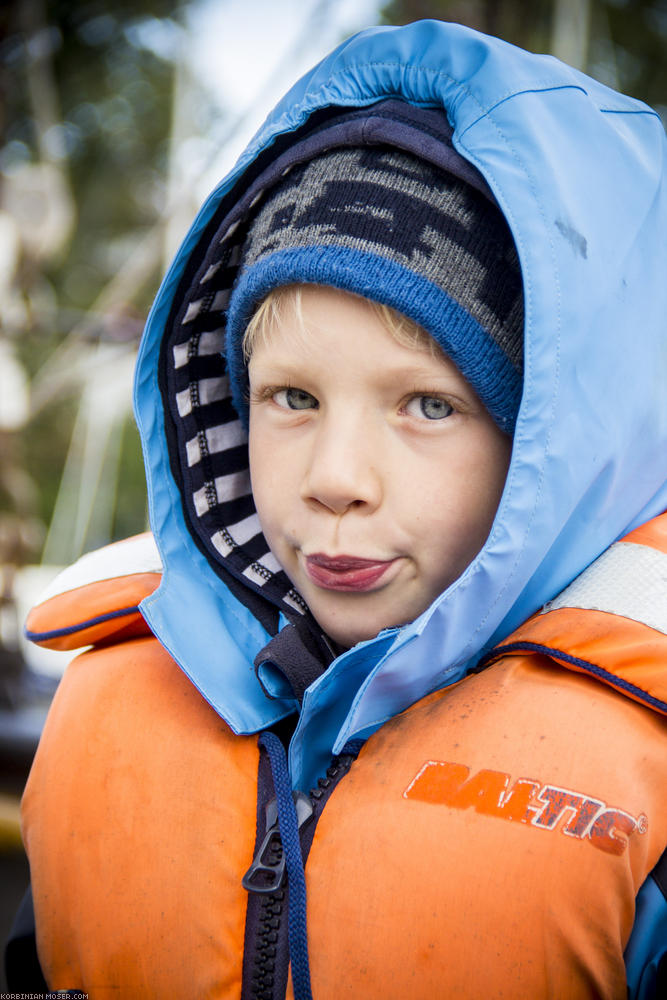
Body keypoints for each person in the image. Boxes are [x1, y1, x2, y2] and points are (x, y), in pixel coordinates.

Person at [6, 18, 667, 1000]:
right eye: (293, 399)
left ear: (557, 443)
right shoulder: (105, 695)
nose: (336, 477)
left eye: (429, 405)